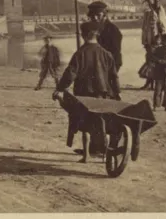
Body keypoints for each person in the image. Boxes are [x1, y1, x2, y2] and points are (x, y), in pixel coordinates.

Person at [52, 23, 121, 163]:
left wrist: (60, 88)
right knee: (103, 123)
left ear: (83, 35)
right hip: (104, 95)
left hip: (84, 95)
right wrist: (116, 94)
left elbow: (70, 74)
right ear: (97, 36)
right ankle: (104, 153)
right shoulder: (107, 54)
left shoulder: (80, 54)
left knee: (85, 126)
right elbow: (114, 77)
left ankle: (86, 156)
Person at [86, 1, 123, 72]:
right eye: (92, 16)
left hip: (110, 64)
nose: (95, 18)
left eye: (98, 15)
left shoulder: (113, 30)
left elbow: (115, 52)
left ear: (104, 15)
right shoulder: (92, 28)